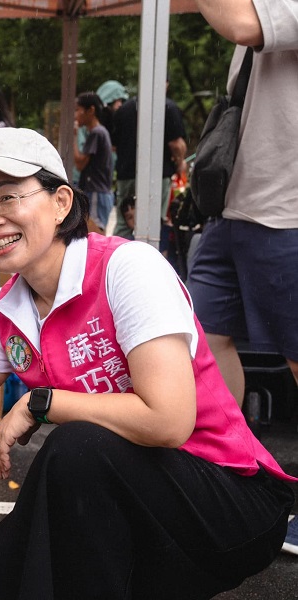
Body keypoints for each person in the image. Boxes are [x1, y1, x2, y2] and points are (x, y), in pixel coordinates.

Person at [0, 127, 295, 599]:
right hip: (136, 500)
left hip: (230, 500)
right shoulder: (9, 310)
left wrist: (40, 402)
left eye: (8, 196)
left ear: (61, 202)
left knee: (77, 450)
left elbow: (169, 421)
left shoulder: (127, 268)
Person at [189, 4, 298, 424]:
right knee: (200, 339)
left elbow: (239, 24)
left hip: (284, 216)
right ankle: (229, 454)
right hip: (233, 210)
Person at [112, 85, 188, 240]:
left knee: (124, 222)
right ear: (165, 83)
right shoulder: (168, 107)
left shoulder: (124, 109)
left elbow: (113, 146)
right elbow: (176, 144)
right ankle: (151, 255)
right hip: (158, 175)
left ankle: (117, 255)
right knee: (155, 222)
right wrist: (180, 163)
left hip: (126, 174)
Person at [72, 92, 114, 230]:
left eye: (77, 110)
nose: (75, 115)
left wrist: (73, 136)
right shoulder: (100, 132)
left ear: (91, 110)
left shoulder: (96, 133)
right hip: (100, 191)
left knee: (95, 232)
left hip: (96, 191)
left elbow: (79, 164)